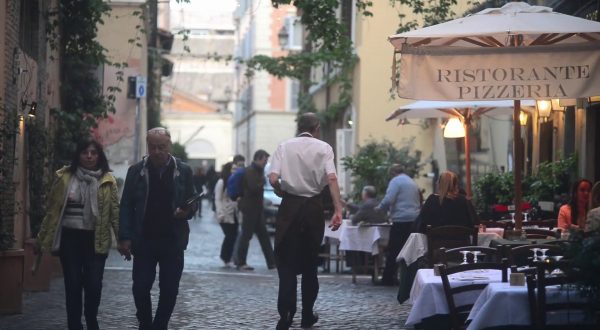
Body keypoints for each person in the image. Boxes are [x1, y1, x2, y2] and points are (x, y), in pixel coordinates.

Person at [269, 113, 343, 330]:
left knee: (287, 264)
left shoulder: (284, 146)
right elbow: (331, 178)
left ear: (298, 127)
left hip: (289, 207)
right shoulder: (324, 148)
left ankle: (286, 315)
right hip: (313, 208)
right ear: (317, 127)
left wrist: (280, 190)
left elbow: (273, 178)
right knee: (310, 265)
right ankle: (307, 315)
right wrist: (338, 208)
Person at [118, 127, 197, 330]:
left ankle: (160, 325)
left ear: (169, 146)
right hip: (144, 239)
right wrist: (125, 237)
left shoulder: (183, 170)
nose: (157, 151)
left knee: (170, 289)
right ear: (148, 146)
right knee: (141, 287)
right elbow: (126, 205)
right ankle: (145, 323)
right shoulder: (136, 171)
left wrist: (185, 212)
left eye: (161, 147)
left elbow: (193, 201)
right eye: (152, 147)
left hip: (173, 239)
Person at [36, 139, 119, 330]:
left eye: (93, 153)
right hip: (70, 239)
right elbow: (53, 211)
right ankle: (74, 325)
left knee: (94, 285)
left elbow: (115, 211)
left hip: (96, 239)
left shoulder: (107, 180)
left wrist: (123, 240)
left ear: (99, 156)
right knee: (72, 285)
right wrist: (42, 239)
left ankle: (91, 319)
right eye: (85, 152)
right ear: (78, 155)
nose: (89, 156)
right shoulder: (65, 177)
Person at [375, 164, 421, 286]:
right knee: (410, 251)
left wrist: (379, 208)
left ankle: (388, 278)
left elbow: (389, 199)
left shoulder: (396, 181)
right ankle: (410, 279)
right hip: (414, 219)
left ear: (392, 173)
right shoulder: (412, 182)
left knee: (394, 250)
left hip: (401, 219)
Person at [233, 149, 276, 270]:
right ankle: (240, 262)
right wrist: (263, 180)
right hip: (249, 208)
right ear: (258, 159)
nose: (265, 162)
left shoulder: (258, 171)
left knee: (264, 237)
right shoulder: (251, 171)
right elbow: (253, 188)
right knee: (246, 236)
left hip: (256, 209)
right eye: (264, 159)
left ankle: (272, 262)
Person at [413, 171, 478, 233]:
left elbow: (421, 225)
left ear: (439, 184)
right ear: (456, 185)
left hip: (436, 243)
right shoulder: (464, 200)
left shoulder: (431, 200)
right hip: (463, 243)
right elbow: (475, 223)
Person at [214, 161, 239, 267]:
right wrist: (220, 212)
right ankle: (225, 258)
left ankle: (229, 258)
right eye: (233, 169)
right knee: (230, 235)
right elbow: (217, 199)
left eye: (236, 169)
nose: (235, 171)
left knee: (233, 235)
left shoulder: (236, 181)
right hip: (224, 213)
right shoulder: (221, 182)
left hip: (234, 213)